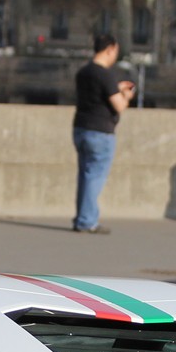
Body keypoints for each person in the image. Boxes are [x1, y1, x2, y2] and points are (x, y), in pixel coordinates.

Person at [71, 32, 135, 234]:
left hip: (81, 127)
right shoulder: (105, 74)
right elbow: (118, 106)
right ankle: (87, 221)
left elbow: (95, 96)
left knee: (85, 175)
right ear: (110, 49)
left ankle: (82, 217)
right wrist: (126, 95)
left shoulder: (83, 73)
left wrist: (115, 88)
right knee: (95, 177)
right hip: (100, 131)